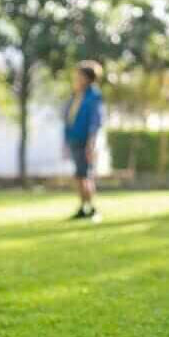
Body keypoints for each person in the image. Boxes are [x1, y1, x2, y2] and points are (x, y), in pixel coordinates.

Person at [64, 60, 104, 220]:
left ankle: (91, 207)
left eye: (79, 76)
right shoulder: (76, 95)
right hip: (74, 138)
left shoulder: (94, 96)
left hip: (86, 140)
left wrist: (92, 141)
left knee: (85, 174)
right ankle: (83, 206)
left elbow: (96, 120)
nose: (76, 78)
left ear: (88, 78)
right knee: (79, 175)